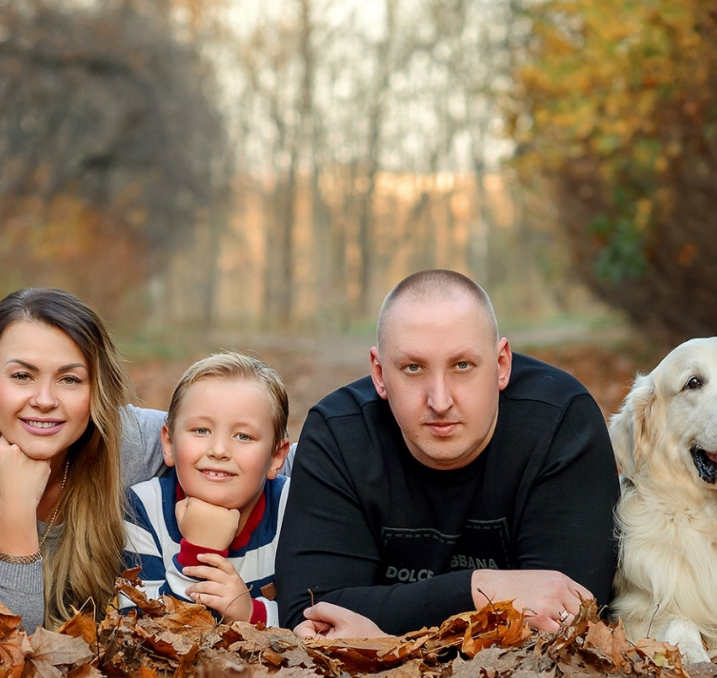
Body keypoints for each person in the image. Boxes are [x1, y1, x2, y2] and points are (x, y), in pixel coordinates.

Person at [276, 269, 619, 639]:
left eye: (462, 366)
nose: (439, 401)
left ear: (502, 365)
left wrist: (384, 626)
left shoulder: (561, 421)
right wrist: (481, 589)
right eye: (412, 368)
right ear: (378, 373)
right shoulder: (338, 433)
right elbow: (308, 614)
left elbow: (568, 617)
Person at [0, 288, 165, 632]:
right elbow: (4, 641)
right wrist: (16, 508)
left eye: (69, 379)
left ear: (96, 389)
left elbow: (256, 448)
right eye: (22, 376)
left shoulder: (129, 441)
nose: (44, 400)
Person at [122, 352, 292, 626]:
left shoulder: (291, 507)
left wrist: (251, 615)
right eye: (201, 430)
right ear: (168, 443)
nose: (219, 450)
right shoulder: (143, 508)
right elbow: (140, 632)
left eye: (243, 436)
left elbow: (317, 615)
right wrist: (200, 549)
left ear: (276, 457)